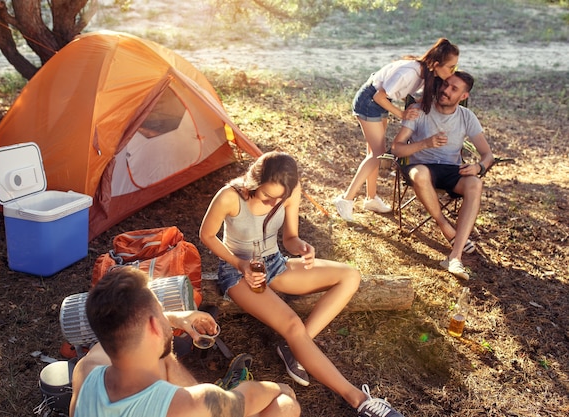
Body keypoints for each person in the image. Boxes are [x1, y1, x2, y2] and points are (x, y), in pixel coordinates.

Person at [199, 151, 405, 416]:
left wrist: (302, 247)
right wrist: (240, 264)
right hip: (238, 272)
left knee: (350, 275)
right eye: (267, 197)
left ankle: (295, 348)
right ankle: (359, 400)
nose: (274, 203)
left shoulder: (290, 191)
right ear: (253, 181)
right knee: (292, 324)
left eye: (279, 199)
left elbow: (290, 238)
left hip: (274, 263)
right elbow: (207, 235)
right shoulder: (230, 195)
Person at [69, 266, 301, 417]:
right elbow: (250, 396)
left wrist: (173, 319)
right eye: (160, 311)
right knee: (285, 406)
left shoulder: (85, 372)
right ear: (152, 326)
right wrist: (283, 388)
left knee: (163, 359)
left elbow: (107, 344)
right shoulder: (193, 404)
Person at [333, 38, 460, 221]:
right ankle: (346, 199)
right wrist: (401, 114)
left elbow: (401, 92)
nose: (452, 72)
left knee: (374, 151)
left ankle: (371, 198)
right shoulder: (409, 72)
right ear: (436, 64)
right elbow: (379, 96)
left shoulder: (425, 72)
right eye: (451, 67)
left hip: (380, 103)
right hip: (369, 102)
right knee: (377, 154)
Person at [391, 71, 494, 280]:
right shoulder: (418, 110)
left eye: (454, 89)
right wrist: (425, 143)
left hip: (450, 169)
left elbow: (487, 154)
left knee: (474, 183)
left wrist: (479, 168)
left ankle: (455, 257)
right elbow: (396, 149)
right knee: (419, 173)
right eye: (445, 84)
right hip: (421, 166)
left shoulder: (466, 117)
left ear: (463, 97)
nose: (445, 90)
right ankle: (445, 226)